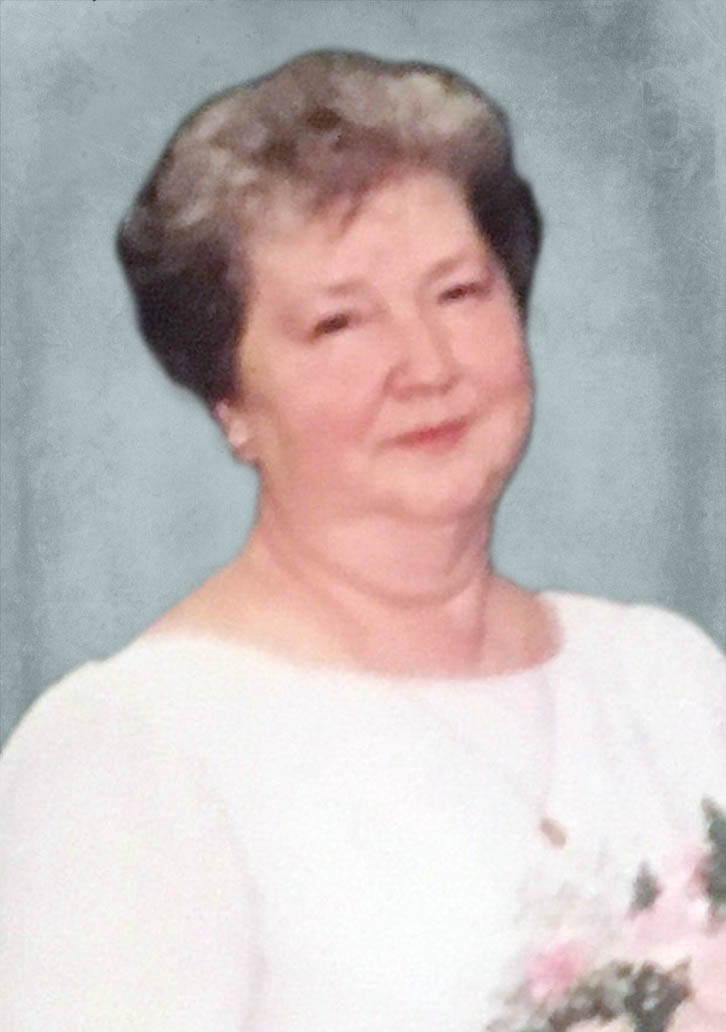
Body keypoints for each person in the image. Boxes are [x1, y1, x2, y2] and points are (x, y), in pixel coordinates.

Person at [1, 50, 724, 1032]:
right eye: (340, 323)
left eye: (459, 293)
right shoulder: (134, 754)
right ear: (230, 402)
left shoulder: (666, 680)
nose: (426, 365)